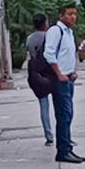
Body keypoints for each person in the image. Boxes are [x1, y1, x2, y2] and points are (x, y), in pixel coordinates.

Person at [44, 3, 85, 164]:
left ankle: (67, 148)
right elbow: (49, 54)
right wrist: (59, 74)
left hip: (68, 78)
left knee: (68, 115)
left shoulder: (69, 32)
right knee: (63, 115)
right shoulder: (56, 31)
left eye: (74, 14)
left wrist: (72, 72)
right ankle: (63, 151)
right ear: (61, 16)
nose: (73, 17)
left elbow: (68, 54)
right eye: (69, 14)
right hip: (60, 80)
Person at [23, 13, 54, 145]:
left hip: (36, 75)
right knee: (60, 106)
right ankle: (63, 134)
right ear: (45, 23)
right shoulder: (49, 36)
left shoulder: (30, 39)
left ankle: (48, 135)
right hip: (51, 73)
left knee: (43, 106)